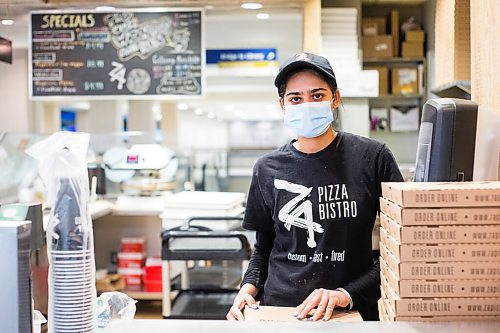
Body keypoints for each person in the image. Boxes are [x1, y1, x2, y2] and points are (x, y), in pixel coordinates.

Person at [226, 52, 403, 322]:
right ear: (283, 105)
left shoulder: (372, 157)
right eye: (295, 98)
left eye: (317, 95)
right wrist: (246, 290)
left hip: (348, 311)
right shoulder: (266, 168)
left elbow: (401, 249)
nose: (306, 104)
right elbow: (263, 249)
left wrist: (346, 293)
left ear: (336, 98)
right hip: (281, 311)